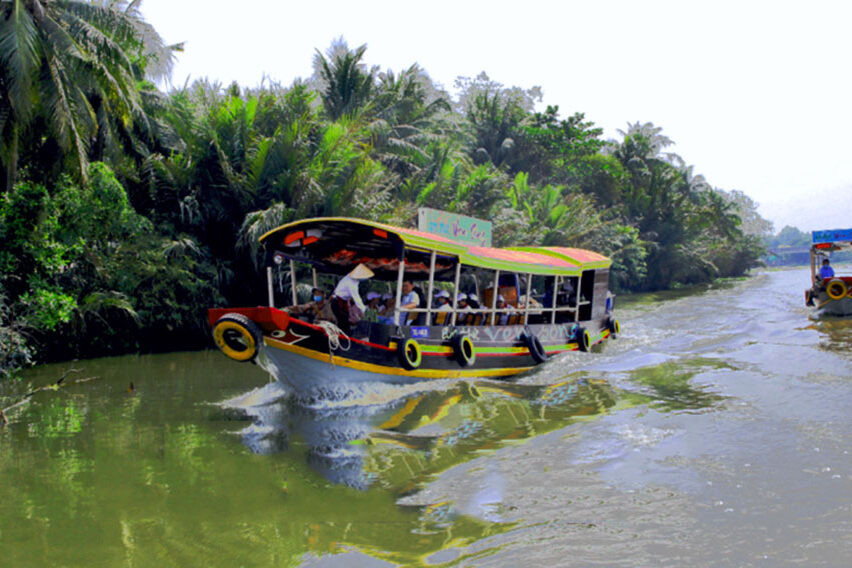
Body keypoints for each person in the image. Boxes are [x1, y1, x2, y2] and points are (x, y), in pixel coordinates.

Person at [332, 263, 374, 333]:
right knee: (343, 323)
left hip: (342, 301)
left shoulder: (352, 279)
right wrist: (364, 310)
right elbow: (357, 298)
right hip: (338, 302)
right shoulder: (351, 283)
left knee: (344, 322)